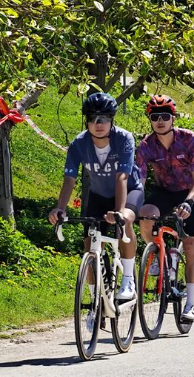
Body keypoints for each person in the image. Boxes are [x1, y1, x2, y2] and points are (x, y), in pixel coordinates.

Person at [48, 93, 144, 304]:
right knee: (89, 245)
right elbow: (69, 178)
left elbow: (122, 177)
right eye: (93, 118)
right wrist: (60, 208)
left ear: (112, 120)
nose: (98, 124)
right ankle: (95, 301)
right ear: (87, 121)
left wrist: (119, 212)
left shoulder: (124, 138)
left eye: (104, 118)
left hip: (129, 190)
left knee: (126, 220)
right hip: (99, 195)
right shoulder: (79, 143)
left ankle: (128, 280)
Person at [135, 95, 194, 322]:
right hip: (163, 191)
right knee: (145, 217)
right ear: (150, 120)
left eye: (165, 116)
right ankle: (156, 254)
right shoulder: (146, 146)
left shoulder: (189, 139)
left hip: (189, 192)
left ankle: (191, 304)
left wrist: (189, 202)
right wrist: (132, 204)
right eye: (155, 117)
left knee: (191, 245)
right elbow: (140, 179)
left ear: (173, 118)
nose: (160, 121)